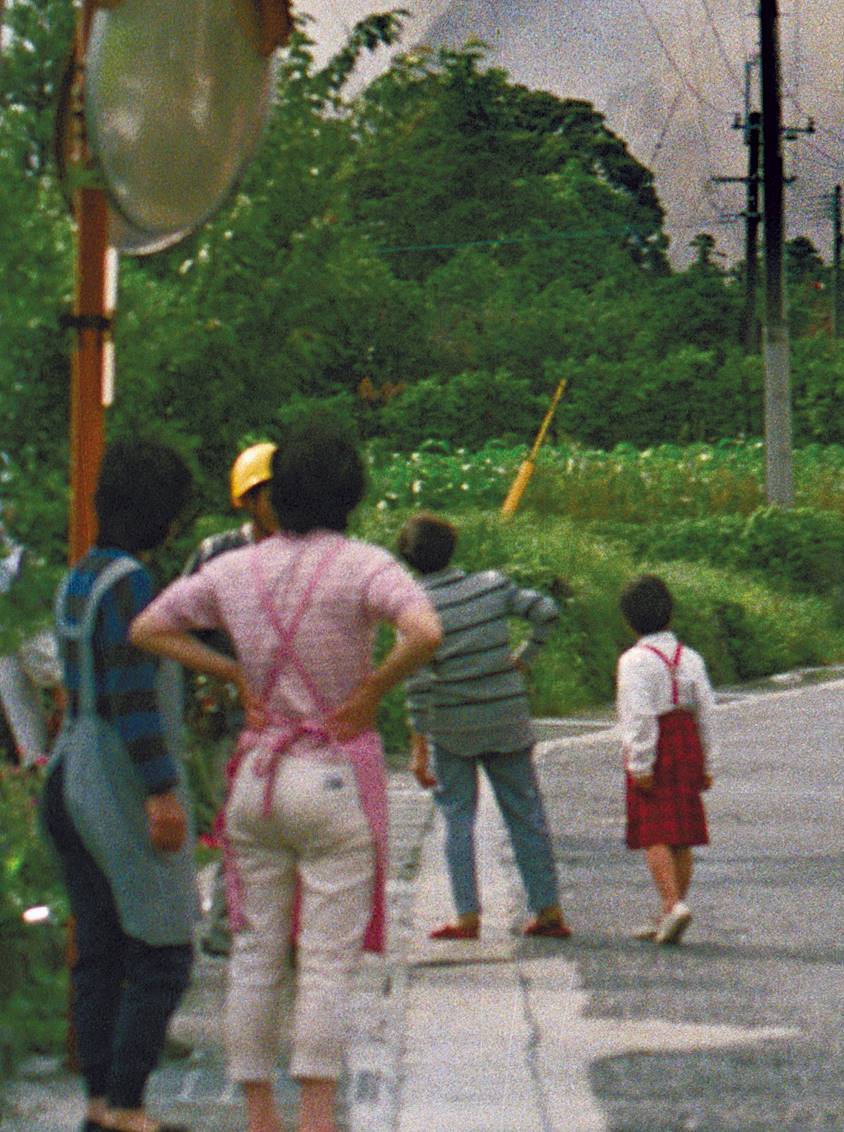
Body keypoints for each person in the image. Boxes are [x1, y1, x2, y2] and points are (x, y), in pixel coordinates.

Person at [132, 411, 440, 1132]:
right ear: (350, 493)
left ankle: (259, 1114)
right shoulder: (366, 565)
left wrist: (234, 672)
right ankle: (316, 1117)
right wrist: (369, 692)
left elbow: (149, 627)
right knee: (325, 963)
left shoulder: (234, 568)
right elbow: (425, 631)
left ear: (276, 495)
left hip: (256, 779)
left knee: (255, 953)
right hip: (334, 777)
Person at [43, 431, 199, 1132]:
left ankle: (100, 1104)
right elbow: (134, 698)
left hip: (68, 769)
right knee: (164, 949)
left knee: (100, 950)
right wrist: (162, 791)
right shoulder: (132, 585)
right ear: (161, 515)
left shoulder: (80, 576)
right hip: (118, 777)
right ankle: (133, 1109)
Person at [395, 514, 567, 944]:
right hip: (506, 717)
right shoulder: (491, 585)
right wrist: (525, 656)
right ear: (452, 546)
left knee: (457, 818)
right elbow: (547, 611)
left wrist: (418, 749)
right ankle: (547, 909)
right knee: (525, 814)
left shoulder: (414, 610)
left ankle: (467, 917)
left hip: (452, 728)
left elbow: (417, 685)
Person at [179, 444, 278, 957]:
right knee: (235, 819)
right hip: (225, 708)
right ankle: (225, 926)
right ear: (247, 499)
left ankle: (248, 924)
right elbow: (179, 624)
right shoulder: (217, 553)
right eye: (267, 494)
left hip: (283, 707)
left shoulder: (303, 552)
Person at [615, 575, 715, 945]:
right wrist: (707, 762)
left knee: (654, 831)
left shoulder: (634, 661)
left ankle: (671, 904)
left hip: (656, 745)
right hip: (687, 743)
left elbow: (638, 714)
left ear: (629, 620)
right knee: (682, 833)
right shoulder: (690, 657)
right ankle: (672, 908)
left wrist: (640, 762)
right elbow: (706, 710)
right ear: (670, 613)